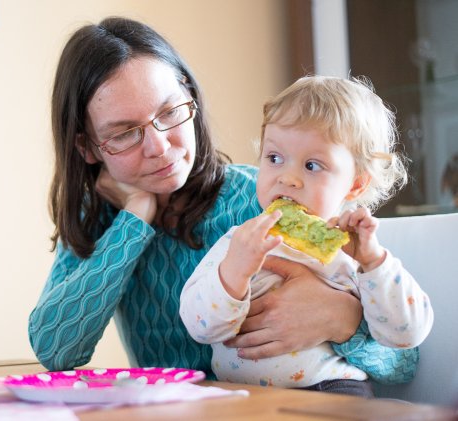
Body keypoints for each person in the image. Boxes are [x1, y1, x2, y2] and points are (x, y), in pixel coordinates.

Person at [28, 16, 419, 386]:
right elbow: (56, 350)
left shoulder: (270, 201)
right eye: (125, 133)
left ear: (190, 96)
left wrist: (343, 321)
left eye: (170, 112)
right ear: (87, 147)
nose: (159, 147)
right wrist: (134, 219)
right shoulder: (100, 220)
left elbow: (405, 363)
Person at [180, 75, 434, 396]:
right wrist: (234, 272)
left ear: (356, 184)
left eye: (312, 165)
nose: (288, 178)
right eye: (274, 158)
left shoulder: (355, 252)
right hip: (241, 395)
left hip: (333, 388)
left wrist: (374, 263)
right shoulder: (239, 241)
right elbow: (198, 327)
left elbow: (405, 334)